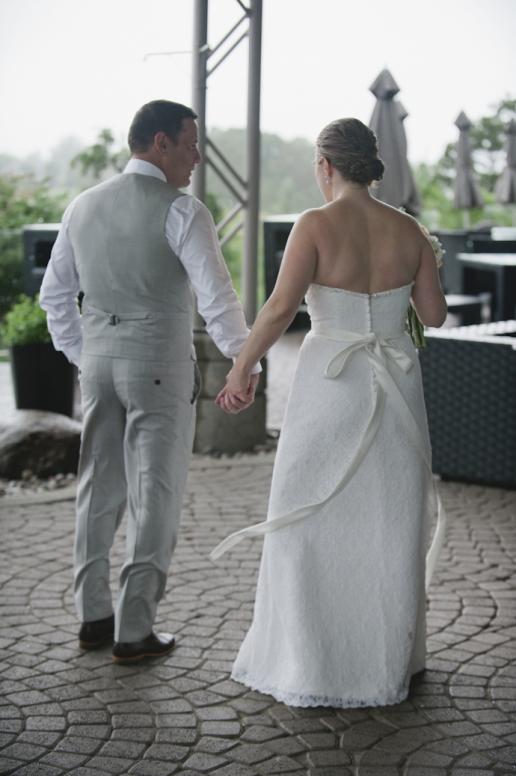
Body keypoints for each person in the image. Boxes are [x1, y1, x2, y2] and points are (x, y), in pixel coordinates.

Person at [211, 117, 447, 708]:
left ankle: (311, 659)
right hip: (395, 381)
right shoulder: (410, 228)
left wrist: (241, 369)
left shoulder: (314, 225)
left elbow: (277, 309)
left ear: (326, 165)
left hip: (329, 387)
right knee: (391, 521)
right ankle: (389, 659)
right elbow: (436, 316)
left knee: (306, 518)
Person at [39, 100, 260, 664]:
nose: (197, 157)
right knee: (155, 492)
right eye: (191, 145)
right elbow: (217, 301)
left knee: (97, 487)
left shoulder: (81, 206)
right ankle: (134, 630)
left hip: (99, 364)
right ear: (160, 143)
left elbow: (54, 297)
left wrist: (84, 354)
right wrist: (246, 364)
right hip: (159, 367)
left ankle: (93, 618)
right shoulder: (184, 211)